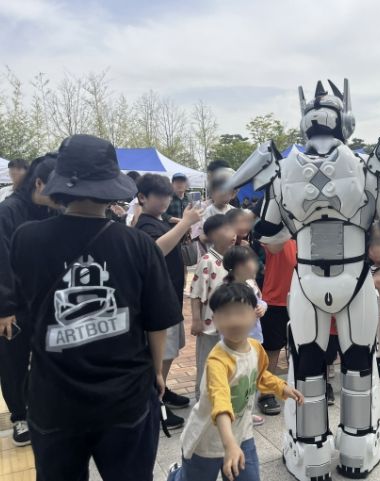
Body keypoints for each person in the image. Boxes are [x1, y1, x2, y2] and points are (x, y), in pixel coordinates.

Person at [9, 134, 182, 481]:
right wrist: (157, 373)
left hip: (53, 397)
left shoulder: (26, 238)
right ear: (110, 187)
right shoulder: (137, 244)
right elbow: (157, 322)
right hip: (126, 398)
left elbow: (25, 298)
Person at [167, 283, 304, 481]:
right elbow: (221, 402)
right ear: (214, 320)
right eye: (225, 314)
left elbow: (259, 375)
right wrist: (229, 444)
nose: (234, 321)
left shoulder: (255, 348)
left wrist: (282, 388)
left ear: (255, 315)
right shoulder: (218, 361)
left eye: (240, 312)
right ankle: (176, 475)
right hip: (207, 440)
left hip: (241, 434)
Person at [136, 173, 204, 429]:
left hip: (170, 295)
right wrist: (185, 222)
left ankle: (162, 391)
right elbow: (157, 249)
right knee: (162, 353)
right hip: (157, 300)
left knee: (171, 350)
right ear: (142, 197)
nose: (165, 200)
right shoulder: (145, 224)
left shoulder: (160, 220)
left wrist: (184, 224)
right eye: (159, 196)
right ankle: (155, 403)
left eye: (167, 195)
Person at [0, 154, 57, 446]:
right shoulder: (8, 211)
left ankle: (42, 407)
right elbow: (2, 261)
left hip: (44, 301)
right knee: (14, 361)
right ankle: (19, 416)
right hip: (14, 305)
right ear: (39, 184)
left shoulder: (49, 210)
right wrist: (5, 307)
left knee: (47, 357)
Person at [189, 215, 236, 401]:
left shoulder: (236, 258)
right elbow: (196, 293)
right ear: (213, 236)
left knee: (230, 363)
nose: (233, 234)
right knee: (208, 362)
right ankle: (204, 401)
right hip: (210, 326)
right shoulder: (207, 261)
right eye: (227, 230)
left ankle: (228, 400)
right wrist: (196, 320)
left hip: (234, 325)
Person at [222, 245, 268, 426]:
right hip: (237, 342)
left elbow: (261, 301)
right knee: (237, 379)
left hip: (253, 339)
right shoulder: (228, 289)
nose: (256, 264)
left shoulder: (251, 284)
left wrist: (262, 307)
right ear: (239, 266)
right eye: (252, 261)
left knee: (250, 377)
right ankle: (234, 412)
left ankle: (246, 412)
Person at [257, 238, 296, 416]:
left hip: (301, 299)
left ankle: (298, 384)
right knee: (272, 350)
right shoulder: (272, 233)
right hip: (274, 300)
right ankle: (265, 393)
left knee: (301, 346)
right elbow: (273, 248)